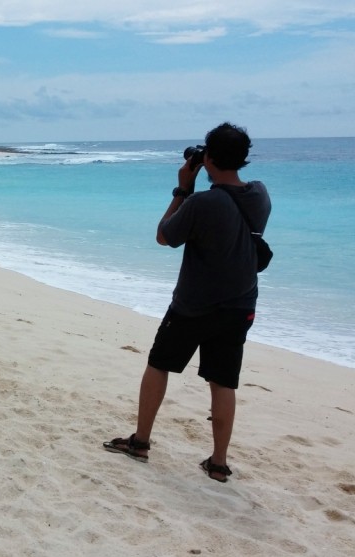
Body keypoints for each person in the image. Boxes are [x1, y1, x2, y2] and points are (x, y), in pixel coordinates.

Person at [103, 122, 271, 483]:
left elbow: (164, 236)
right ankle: (218, 463)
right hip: (240, 305)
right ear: (243, 158)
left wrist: (183, 186)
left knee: (158, 364)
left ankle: (141, 441)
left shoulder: (202, 202)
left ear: (207, 156)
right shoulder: (260, 194)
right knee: (224, 382)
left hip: (192, 305)